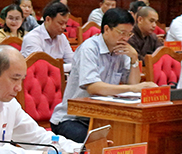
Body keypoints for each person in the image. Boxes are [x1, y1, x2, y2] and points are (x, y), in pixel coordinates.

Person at [51, 9, 156, 142]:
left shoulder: (122, 50)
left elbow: (132, 84)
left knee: (129, 137)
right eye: (122, 33)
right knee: (101, 143)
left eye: (129, 34)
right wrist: (132, 88)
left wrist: (134, 59)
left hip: (102, 117)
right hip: (72, 119)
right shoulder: (89, 49)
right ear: (106, 29)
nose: (125, 38)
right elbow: (93, 87)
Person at [21, 1, 74, 68]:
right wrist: (63, 67)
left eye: (65, 23)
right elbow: (43, 67)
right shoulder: (32, 38)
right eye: (60, 23)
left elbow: (73, 62)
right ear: (48, 19)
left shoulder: (62, 37)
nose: (64, 27)